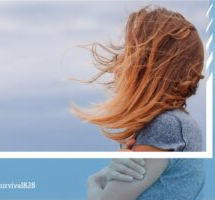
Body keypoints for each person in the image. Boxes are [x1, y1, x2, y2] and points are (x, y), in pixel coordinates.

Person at [73, 5, 205, 200]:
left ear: (148, 62)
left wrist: (93, 182)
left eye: (131, 50)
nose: (122, 58)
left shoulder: (165, 125)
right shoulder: (181, 123)